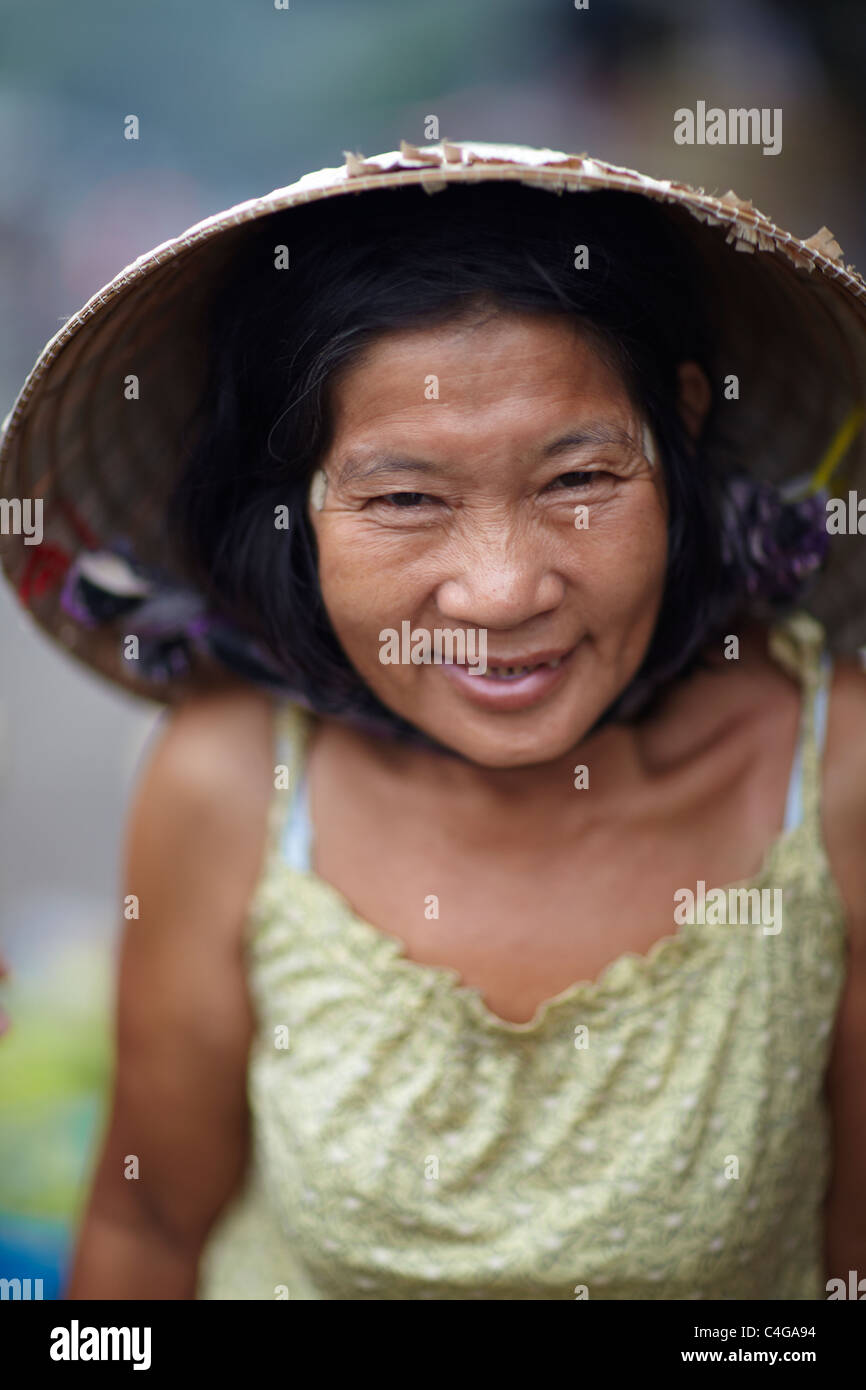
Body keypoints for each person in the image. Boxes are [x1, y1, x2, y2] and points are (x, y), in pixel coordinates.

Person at [2, 141, 864, 1300]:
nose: (503, 592)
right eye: (403, 498)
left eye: (577, 479)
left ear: (680, 431)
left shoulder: (835, 778)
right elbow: (149, 1227)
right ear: (292, 512)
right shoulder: (232, 782)